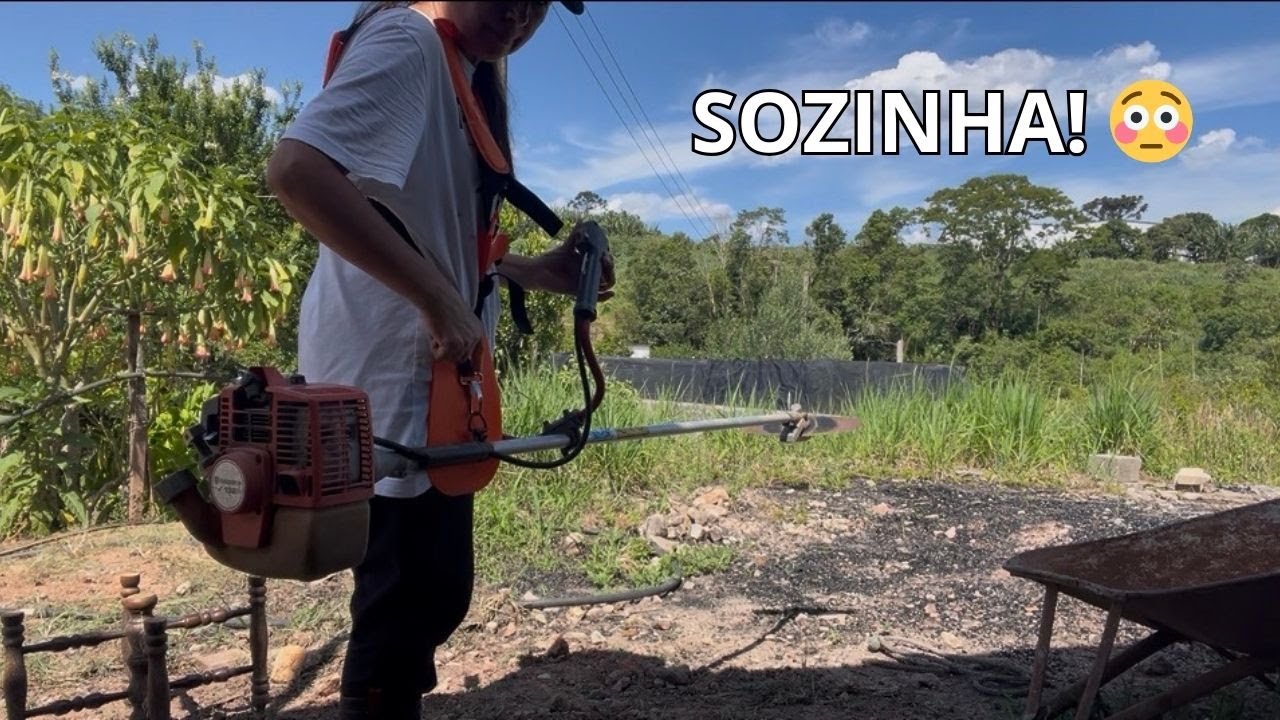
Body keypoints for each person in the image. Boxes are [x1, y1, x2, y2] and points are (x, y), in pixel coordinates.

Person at [264, 2, 611, 718]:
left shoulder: (460, 71)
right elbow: (298, 171)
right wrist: (438, 300)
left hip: (433, 380)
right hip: (387, 378)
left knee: (430, 591)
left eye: (542, 1)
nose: (520, 12)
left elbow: (433, 227)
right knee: (405, 599)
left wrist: (540, 270)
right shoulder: (408, 39)